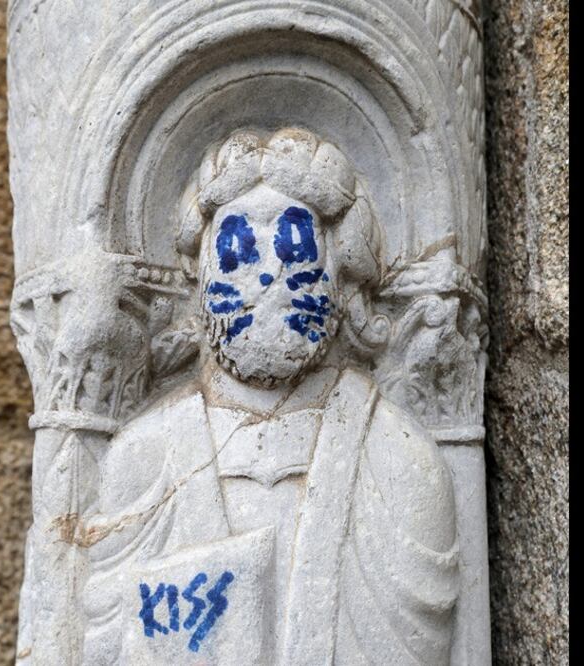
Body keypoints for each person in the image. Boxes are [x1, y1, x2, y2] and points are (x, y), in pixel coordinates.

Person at [77, 129, 459, 665]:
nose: (266, 274)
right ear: (201, 271)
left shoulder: (400, 460)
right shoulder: (143, 457)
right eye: (237, 248)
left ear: (342, 271)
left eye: (292, 248)